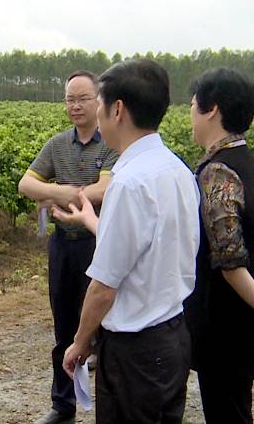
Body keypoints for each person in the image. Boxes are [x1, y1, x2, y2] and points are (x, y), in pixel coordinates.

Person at [59, 59, 200, 423]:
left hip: (135, 353)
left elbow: (104, 286)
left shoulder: (129, 182)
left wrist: (80, 341)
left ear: (117, 109)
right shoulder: (178, 169)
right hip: (172, 336)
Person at [18, 70, 118, 424]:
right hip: (63, 246)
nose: (75, 106)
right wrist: (58, 191)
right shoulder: (57, 144)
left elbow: (105, 189)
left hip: (98, 243)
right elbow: (25, 184)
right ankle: (63, 405)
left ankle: (108, 405)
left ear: (99, 101)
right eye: (69, 100)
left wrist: (61, 191)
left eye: (82, 99)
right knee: (64, 327)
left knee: (105, 327)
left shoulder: (110, 143)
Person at [183, 68, 254, 423]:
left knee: (227, 411)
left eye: (193, 104)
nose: (190, 113)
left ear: (211, 109)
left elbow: (229, 258)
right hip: (245, 315)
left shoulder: (217, 171)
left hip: (223, 322)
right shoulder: (247, 159)